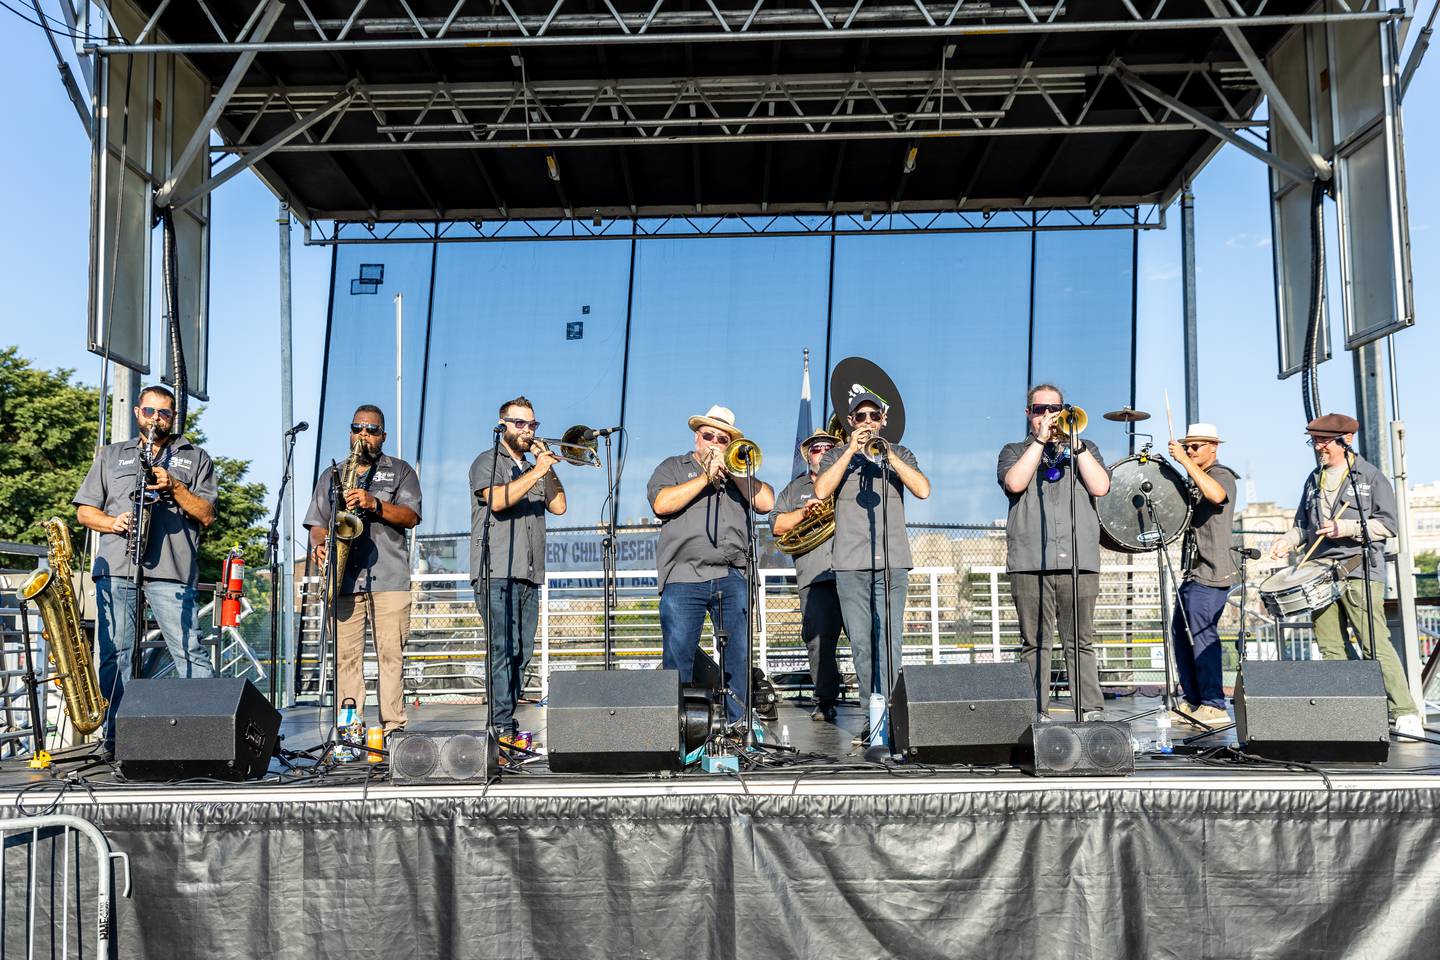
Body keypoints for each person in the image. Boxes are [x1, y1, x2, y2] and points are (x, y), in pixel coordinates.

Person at [74, 384, 217, 749]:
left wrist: (175, 486)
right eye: (150, 411)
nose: (157, 419)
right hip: (120, 565)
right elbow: (84, 511)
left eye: (164, 413)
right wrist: (113, 523)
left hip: (172, 569)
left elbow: (207, 514)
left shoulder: (195, 456)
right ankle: (117, 736)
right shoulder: (111, 455)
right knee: (115, 653)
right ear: (138, 413)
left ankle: (204, 737)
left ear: (173, 417)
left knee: (188, 650)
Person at [1268, 413, 1424, 736]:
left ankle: (1404, 710)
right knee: (1330, 647)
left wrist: (1346, 527)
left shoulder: (1371, 477)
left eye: (1324, 441)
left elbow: (1389, 525)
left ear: (1346, 440)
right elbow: (1302, 526)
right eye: (1315, 441)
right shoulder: (1313, 480)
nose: (1318, 447)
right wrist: (1287, 541)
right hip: (1320, 574)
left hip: (1359, 570)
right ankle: (1352, 709)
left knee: (1373, 642)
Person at [648, 405, 774, 723]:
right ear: (697, 438)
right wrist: (705, 477)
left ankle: (739, 724)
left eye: (722, 439)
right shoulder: (673, 467)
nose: (714, 443)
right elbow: (662, 503)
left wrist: (734, 471)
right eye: (709, 436)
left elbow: (767, 502)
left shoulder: (739, 472)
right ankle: (674, 728)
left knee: (738, 656)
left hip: (732, 574)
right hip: (683, 574)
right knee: (678, 656)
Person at [814, 393, 929, 742]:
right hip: (850, 564)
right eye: (860, 416)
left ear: (882, 420)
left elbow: (923, 489)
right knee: (862, 645)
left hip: (892, 562)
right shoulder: (836, 455)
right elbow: (821, 490)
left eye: (873, 416)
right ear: (850, 421)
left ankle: (893, 717)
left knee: (889, 643)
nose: (867, 421)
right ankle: (871, 718)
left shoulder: (900, 453)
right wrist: (850, 451)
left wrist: (888, 453)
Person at [305, 404, 422, 739]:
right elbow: (316, 524)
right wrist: (320, 544)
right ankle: (350, 730)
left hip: (388, 578)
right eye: (358, 428)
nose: (364, 435)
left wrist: (375, 504)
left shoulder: (400, 471)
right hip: (343, 579)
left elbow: (411, 517)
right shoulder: (333, 475)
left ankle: (393, 728)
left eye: (371, 430)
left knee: (390, 657)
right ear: (350, 432)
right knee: (346, 660)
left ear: (382, 436)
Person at [996, 384, 1111, 719]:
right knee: (1035, 643)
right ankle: (1035, 712)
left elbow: (1100, 486)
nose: (1046, 415)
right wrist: (1041, 441)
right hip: (1030, 561)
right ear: (1028, 414)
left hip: (1079, 560)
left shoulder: (1086, 448)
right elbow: (1015, 483)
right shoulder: (1013, 450)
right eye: (1038, 409)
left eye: (1053, 408)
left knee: (1081, 642)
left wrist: (1076, 446)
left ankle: (1090, 711)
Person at [469, 397, 566, 743]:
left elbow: (559, 506)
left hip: (529, 573)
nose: (529, 431)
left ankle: (505, 720)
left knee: (521, 653)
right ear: (503, 426)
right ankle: (500, 728)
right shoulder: (487, 461)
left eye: (533, 425)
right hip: (495, 571)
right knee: (501, 649)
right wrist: (536, 471)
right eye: (521, 424)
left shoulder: (534, 468)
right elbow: (496, 500)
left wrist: (546, 467)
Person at [1167, 423, 1239, 728]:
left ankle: (1213, 703)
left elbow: (1216, 494)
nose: (1191, 451)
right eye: (1188, 446)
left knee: (1201, 635)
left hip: (1213, 571)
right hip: (1194, 571)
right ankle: (1194, 700)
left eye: (1196, 446)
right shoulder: (1196, 476)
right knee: (1181, 635)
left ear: (1214, 447)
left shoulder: (1221, 475)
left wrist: (1183, 461)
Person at [772, 429, 844, 723]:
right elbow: (777, 525)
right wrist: (804, 513)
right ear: (808, 455)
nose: (823, 452)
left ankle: (877, 705)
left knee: (865, 639)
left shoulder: (847, 480)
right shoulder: (793, 489)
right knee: (818, 642)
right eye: (816, 449)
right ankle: (825, 700)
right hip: (814, 576)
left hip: (851, 568)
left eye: (829, 447)